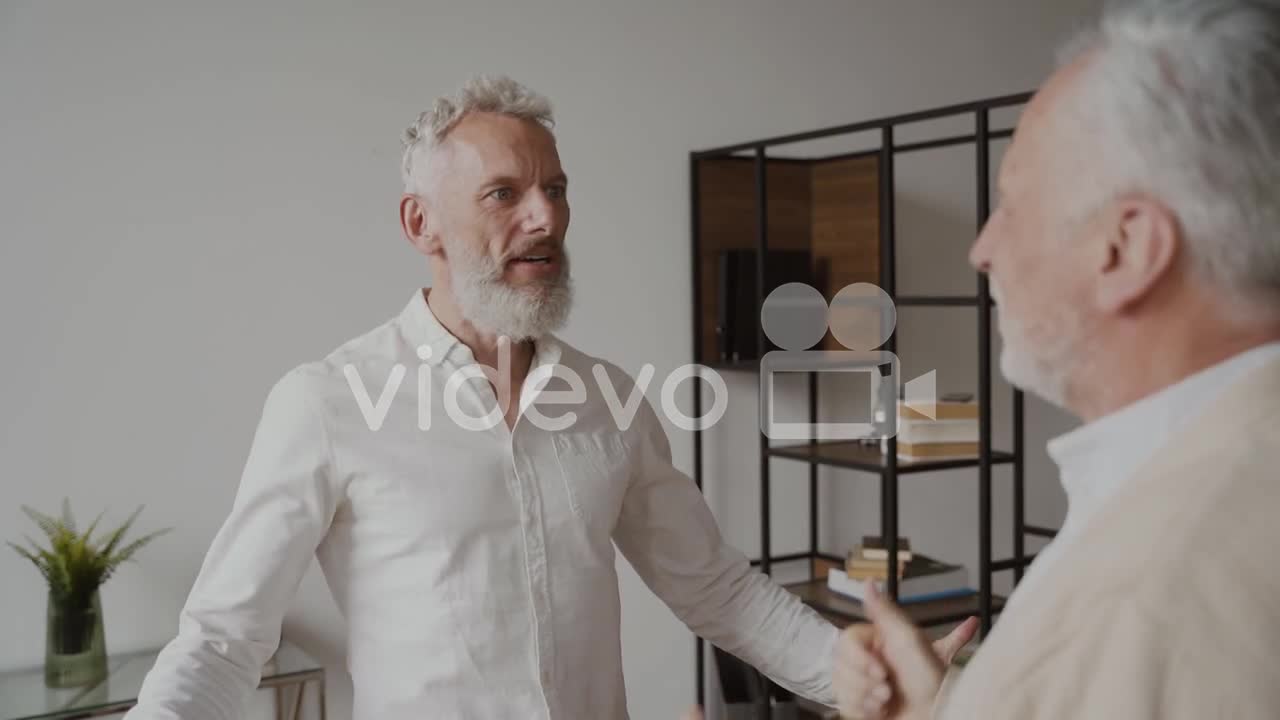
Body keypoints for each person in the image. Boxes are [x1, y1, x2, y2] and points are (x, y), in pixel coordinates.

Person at [126, 75, 857, 719]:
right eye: (504, 193)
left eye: (556, 189)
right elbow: (225, 642)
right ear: (422, 224)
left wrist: (867, 679)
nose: (546, 218)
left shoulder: (611, 398)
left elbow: (716, 589)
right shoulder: (326, 402)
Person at [832, 0, 1280, 718]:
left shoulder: (1166, 584)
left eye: (1010, 202)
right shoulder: (1181, 493)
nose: (982, 250)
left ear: (1125, 250)